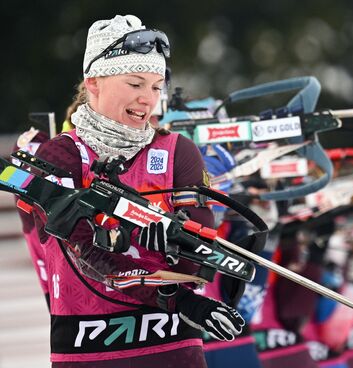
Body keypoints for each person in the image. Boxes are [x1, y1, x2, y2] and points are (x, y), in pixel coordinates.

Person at [33, 14, 244, 367]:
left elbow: (201, 260)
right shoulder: (61, 153)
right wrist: (137, 238)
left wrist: (186, 238)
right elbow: (88, 254)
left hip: (171, 346)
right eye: (135, 84)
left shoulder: (178, 151)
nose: (148, 99)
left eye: (156, 86)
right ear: (94, 81)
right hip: (89, 348)